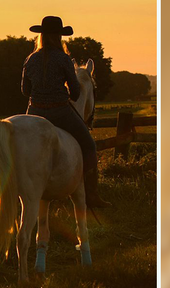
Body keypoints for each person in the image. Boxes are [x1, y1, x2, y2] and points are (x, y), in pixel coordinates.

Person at [22, 16, 111, 208]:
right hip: (59, 112)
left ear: (42, 36)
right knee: (89, 146)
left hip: (34, 111)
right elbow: (76, 92)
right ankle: (92, 195)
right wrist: (62, 92)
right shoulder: (63, 59)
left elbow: (25, 90)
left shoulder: (31, 59)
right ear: (59, 37)